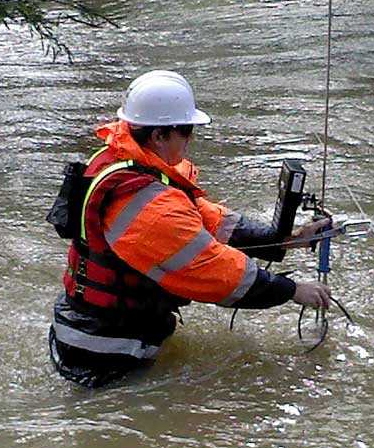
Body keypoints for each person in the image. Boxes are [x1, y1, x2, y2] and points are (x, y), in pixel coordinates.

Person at [48, 70, 331, 388]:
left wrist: (284, 240)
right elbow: (216, 272)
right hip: (106, 353)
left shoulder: (124, 159)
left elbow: (209, 220)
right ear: (159, 136)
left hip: (87, 331)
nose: (191, 139)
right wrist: (292, 291)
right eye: (186, 131)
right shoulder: (150, 208)